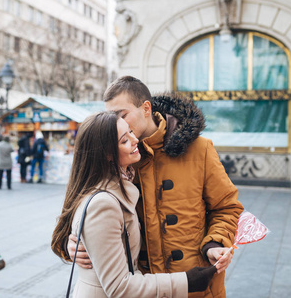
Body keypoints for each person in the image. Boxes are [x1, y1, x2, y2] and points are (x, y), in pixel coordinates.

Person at [67, 76, 244, 298]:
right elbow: (81, 208)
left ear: (146, 108)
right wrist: (73, 243)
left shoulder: (200, 150)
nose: (116, 124)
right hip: (141, 289)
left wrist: (215, 244)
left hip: (197, 284)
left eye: (122, 116)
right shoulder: (118, 158)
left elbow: (227, 207)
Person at [52, 111, 217, 297]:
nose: (135, 139)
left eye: (130, 131)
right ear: (107, 154)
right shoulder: (103, 204)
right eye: (124, 140)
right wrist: (186, 281)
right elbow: (119, 287)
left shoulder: (121, 183)